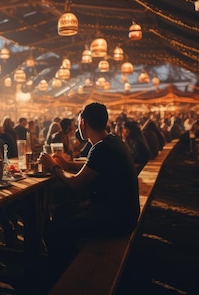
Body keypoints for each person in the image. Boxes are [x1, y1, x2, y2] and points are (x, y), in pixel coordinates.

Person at [38, 102, 139, 285]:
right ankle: (67, 262)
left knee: (54, 232)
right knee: (61, 213)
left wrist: (53, 167)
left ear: (83, 123)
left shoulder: (101, 149)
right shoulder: (111, 142)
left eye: (78, 123)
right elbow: (92, 166)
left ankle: (62, 279)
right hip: (125, 213)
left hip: (116, 220)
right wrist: (66, 164)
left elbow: (75, 184)